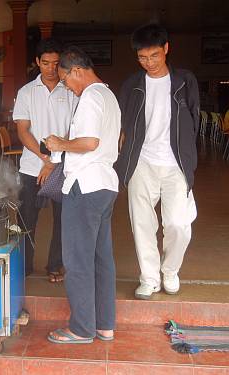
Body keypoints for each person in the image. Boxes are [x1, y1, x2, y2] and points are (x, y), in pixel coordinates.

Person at [115, 23, 200, 300]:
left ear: (166, 49)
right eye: (142, 57)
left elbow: (193, 121)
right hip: (142, 162)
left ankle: (170, 270)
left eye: (154, 55)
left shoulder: (185, 81)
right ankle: (149, 278)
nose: (148, 63)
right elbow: (124, 125)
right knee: (142, 222)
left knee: (178, 224)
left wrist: (187, 155)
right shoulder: (132, 85)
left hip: (175, 163)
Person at [45, 46, 121, 343]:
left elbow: (88, 142)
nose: (67, 87)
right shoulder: (108, 95)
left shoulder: (90, 96)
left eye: (65, 80)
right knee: (102, 258)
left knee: (77, 259)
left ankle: (81, 328)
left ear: (76, 70)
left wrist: (58, 143)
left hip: (85, 185)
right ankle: (104, 324)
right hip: (104, 186)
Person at [13, 38, 77, 282]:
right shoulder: (26, 92)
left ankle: (54, 265)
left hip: (64, 167)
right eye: (46, 63)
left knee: (63, 220)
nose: (51, 68)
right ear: (37, 62)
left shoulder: (70, 89)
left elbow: (75, 127)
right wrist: (45, 157)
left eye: (56, 63)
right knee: (26, 220)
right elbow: (23, 131)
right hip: (32, 167)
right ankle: (25, 267)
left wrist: (54, 160)